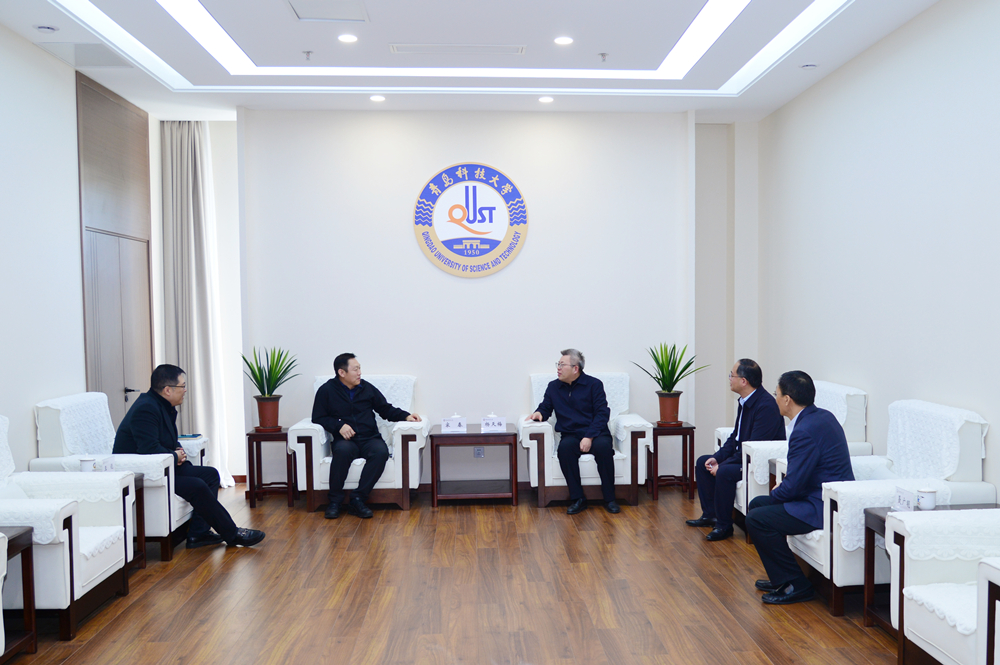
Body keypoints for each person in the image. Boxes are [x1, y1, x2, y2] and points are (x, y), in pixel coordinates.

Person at [114, 364, 266, 549]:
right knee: (197, 485)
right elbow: (148, 449)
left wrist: (177, 450)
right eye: (182, 386)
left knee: (211, 475)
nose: (185, 390)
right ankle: (232, 534)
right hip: (146, 475)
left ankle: (199, 534)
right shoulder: (145, 409)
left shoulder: (161, 405)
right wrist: (174, 455)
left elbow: (164, 440)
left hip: (164, 468)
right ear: (168, 390)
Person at [745, 370, 854, 605]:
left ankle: (797, 585)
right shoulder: (821, 416)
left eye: (776, 394)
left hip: (822, 506)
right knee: (756, 505)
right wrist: (781, 490)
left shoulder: (804, 430)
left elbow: (793, 486)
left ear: (787, 400)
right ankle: (781, 578)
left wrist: (778, 491)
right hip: (816, 496)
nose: (775, 398)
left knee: (757, 519)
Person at [312, 353, 422, 520]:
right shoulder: (326, 390)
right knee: (341, 452)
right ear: (342, 372)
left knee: (381, 452)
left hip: (370, 438)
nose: (359, 373)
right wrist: (338, 425)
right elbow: (318, 417)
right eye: (355, 369)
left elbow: (385, 409)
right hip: (346, 440)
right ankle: (334, 502)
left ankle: (358, 499)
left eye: (359, 369)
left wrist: (406, 416)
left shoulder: (366, 388)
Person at [686, 359, 785, 541]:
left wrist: (722, 465)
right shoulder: (745, 401)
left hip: (757, 462)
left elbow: (753, 446)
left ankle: (724, 526)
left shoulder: (766, 406)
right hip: (743, 456)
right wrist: (717, 458)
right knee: (703, 462)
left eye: (731, 375)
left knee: (724, 472)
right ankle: (710, 515)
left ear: (743, 381)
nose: (729, 379)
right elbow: (735, 438)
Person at [526, 349, 620, 515]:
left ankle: (610, 499)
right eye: (558, 364)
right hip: (571, 434)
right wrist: (539, 413)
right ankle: (578, 499)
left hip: (596, 433)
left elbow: (602, 414)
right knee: (565, 449)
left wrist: (589, 436)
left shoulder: (594, 385)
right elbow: (546, 407)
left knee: (603, 448)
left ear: (575, 368)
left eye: (562, 365)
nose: (558, 368)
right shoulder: (553, 387)